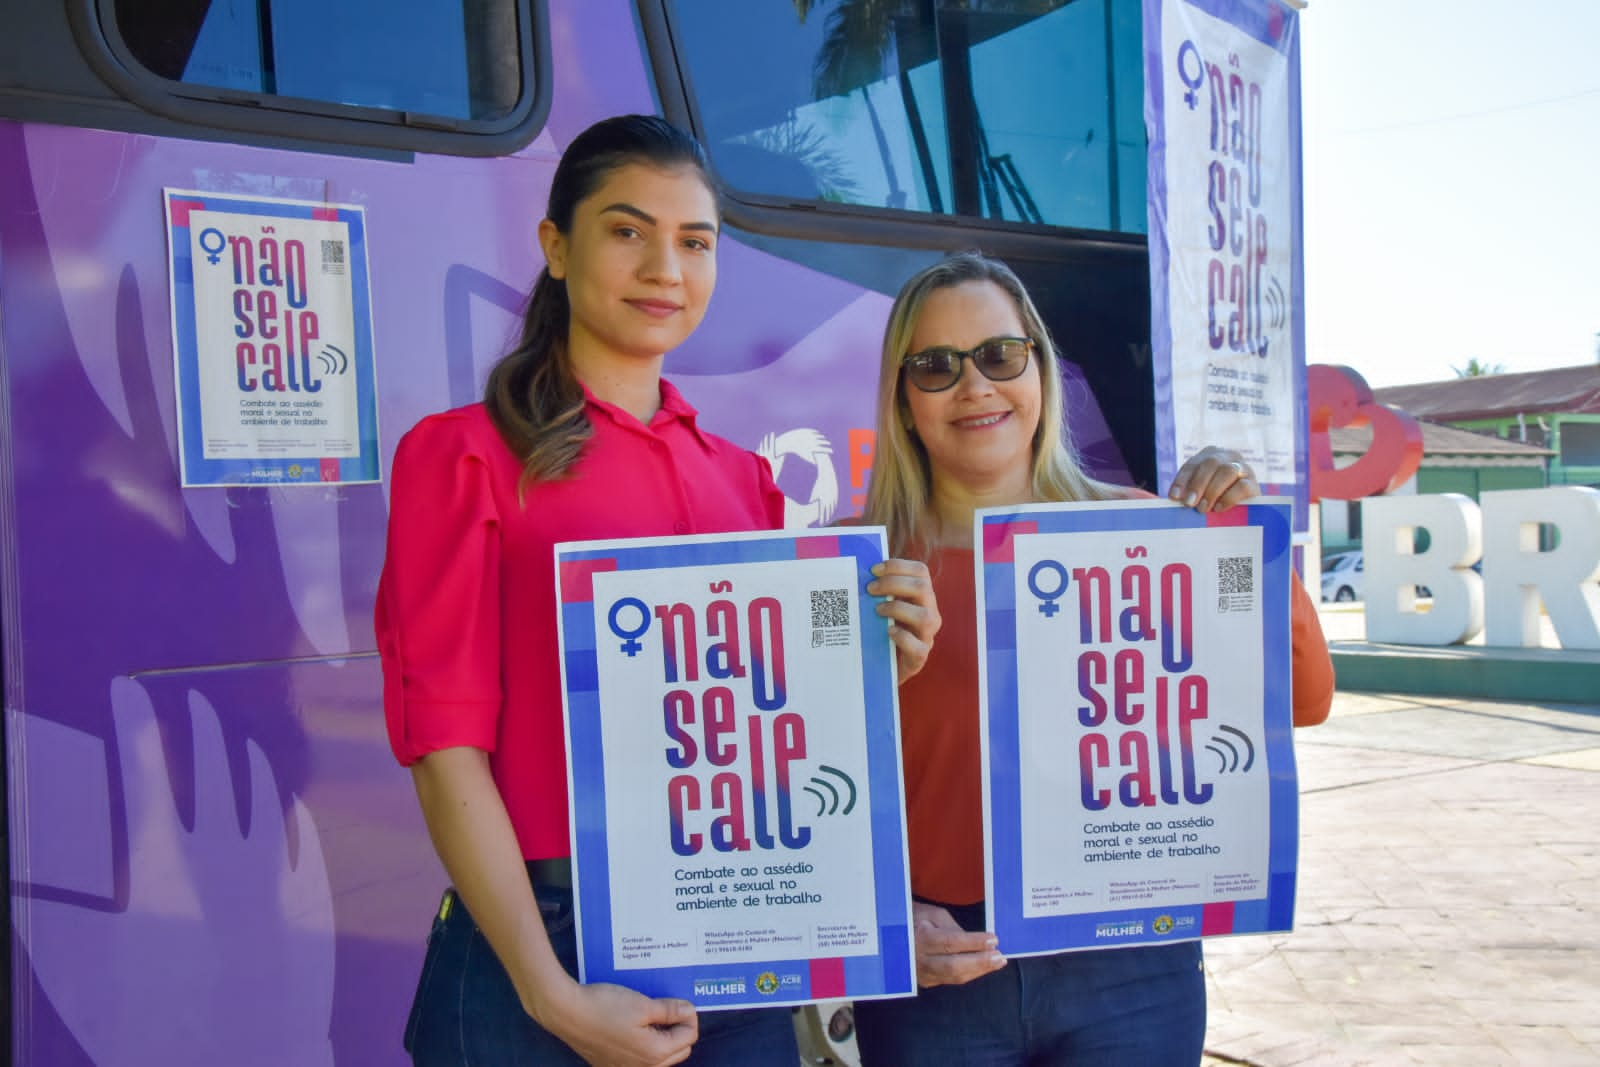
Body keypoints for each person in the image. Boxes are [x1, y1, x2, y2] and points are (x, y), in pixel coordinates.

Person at [375, 114, 939, 1067]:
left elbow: (769, 734)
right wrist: (549, 993)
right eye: (627, 231)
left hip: (729, 946)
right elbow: (444, 748)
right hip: (538, 947)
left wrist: (886, 663)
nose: (665, 269)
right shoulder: (461, 454)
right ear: (556, 247)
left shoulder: (742, 480)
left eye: (695, 242)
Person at [850, 252, 1335, 1066]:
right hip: (939, 972)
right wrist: (887, 912)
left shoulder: (1144, 530)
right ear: (902, 400)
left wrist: (1247, 543)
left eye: (1001, 355)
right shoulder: (854, 572)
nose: (976, 386)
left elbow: (1305, 696)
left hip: (1133, 967)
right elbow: (794, 789)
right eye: (935, 366)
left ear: (1041, 370)